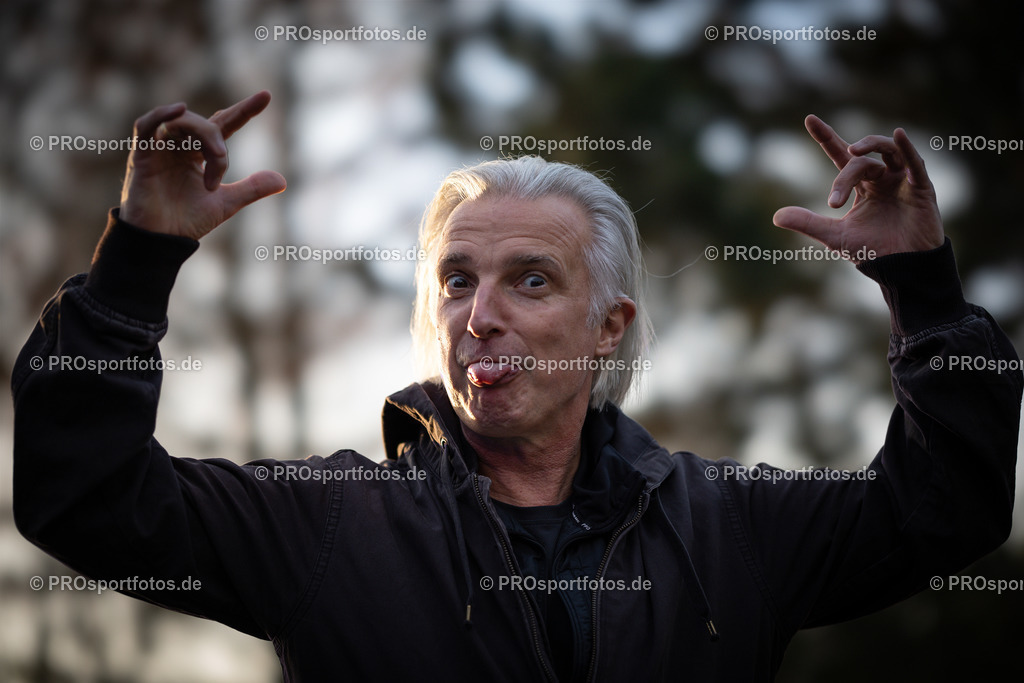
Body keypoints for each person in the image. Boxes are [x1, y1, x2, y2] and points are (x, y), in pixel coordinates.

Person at [12, 91, 1022, 682]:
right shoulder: (322, 522)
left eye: (529, 279)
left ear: (606, 327)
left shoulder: (733, 523)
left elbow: (944, 509)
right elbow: (86, 497)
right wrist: (139, 257)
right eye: (456, 279)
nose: (477, 311)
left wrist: (922, 289)